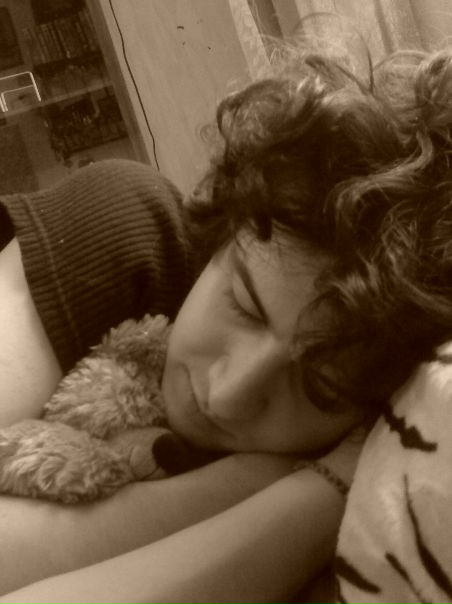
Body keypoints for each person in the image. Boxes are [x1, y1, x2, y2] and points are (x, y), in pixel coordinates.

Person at [1, 41, 452, 602]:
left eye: (320, 388)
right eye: (243, 304)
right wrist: (284, 485)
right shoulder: (130, 228)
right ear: (225, 225)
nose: (229, 395)